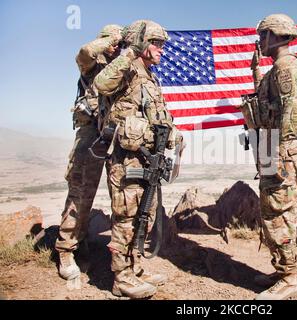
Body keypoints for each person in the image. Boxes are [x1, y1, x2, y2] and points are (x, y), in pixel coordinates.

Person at [94, 20, 181, 299]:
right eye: (156, 43)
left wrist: (172, 135)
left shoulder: (150, 77)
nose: (161, 50)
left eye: (162, 45)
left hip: (146, 158)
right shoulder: (126, 67)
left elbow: (158, 117)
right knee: (127, 215)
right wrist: (129, 53)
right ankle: (121, 277)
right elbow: (101, 83)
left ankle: (134, 267)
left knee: (145, 213)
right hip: (125, 159)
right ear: (141, 43)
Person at [245, 13, 297, 300]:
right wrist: (256, 71)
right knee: (272, 212)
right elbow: (268, 102)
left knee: (280, 215)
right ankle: (283, 269)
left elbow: (289, 114)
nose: (260, 41)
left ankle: (289, 278)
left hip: (280, 149)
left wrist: (278, 156)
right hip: (272, 147)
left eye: (263, 36)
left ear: (275, 35)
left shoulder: (285, 67)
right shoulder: (275, 68)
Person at [56, 24, 123, 280]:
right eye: (111, 42)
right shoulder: (91, 63)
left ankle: (120, 256)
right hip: (91, 135)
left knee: (122, 195)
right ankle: (67, 249)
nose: (116, 46)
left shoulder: (122, 65)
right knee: (81, 194)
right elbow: (84, 52)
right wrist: (110, 40)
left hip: (118, 135)